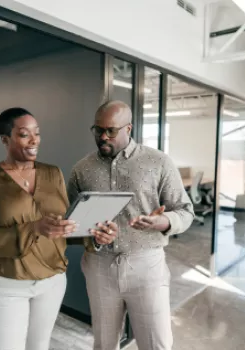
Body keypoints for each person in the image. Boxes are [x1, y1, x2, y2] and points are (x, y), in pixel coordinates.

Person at [68, 100, 195, 350]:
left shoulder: (158, 162)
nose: (103, 137)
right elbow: (70, 224)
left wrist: (165, 221)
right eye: (98, 130)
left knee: (156, 343)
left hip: (146, 265)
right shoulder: (81, 169)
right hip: (99, 267)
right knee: (104, 344)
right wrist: (92, 237)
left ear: (129, 128)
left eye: (111, 131)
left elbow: (186, 211)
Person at [0, 107, 84, 350]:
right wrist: (33, 228)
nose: (34, 140)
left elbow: (63, 226)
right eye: (24, 134)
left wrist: (92, 233)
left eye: (37, 133)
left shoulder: (53, 173)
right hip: (7, 283)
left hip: (53, 280)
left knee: (39, 346)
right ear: (5, 139)